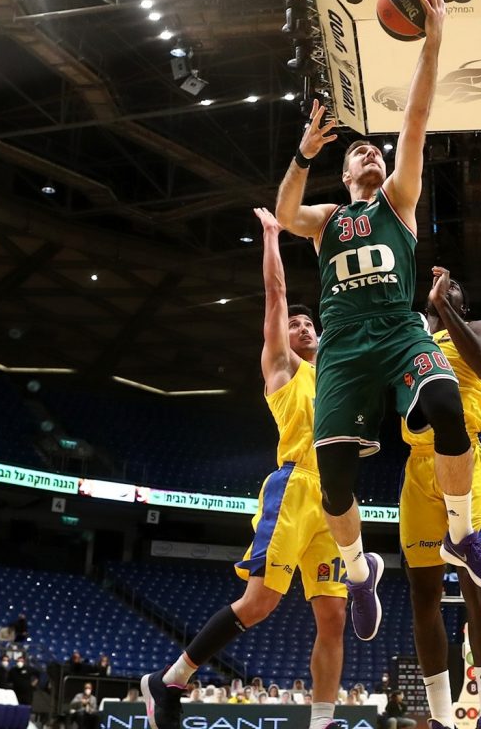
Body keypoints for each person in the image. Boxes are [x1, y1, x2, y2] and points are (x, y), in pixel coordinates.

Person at [273, 0, 481, 641]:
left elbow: (415, 117)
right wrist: (303, 152)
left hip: (402, 332)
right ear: (347, 170)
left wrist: (432, 43)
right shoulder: (329, 220)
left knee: (446, 405)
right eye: (360, 152)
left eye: (373, 149)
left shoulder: (398, 200)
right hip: (344, 346)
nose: (372, 152)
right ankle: (357, 568)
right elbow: (287, 212)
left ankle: (463, 536)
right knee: (337, 485)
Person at [140, 207, 347, 729]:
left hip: (337, 497)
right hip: (295, 487)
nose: (302, 327)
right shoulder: (282, 368)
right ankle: (170, 680)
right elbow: (276, 298)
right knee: (259, 604)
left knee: (334, 615)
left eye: (309, 323)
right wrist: (273, 238)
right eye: (296, 324)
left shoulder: (339, 376)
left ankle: (322, 721)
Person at [400, 270, 481, 729]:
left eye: (455, 285)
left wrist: (443, 309)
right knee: (423, 594)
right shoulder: (410, 337)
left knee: (474, 586)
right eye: (440, 286)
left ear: (462, 302)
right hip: (419, 464)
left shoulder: (478, 329)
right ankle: (440, 716)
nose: (445, 285)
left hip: (470, 457)